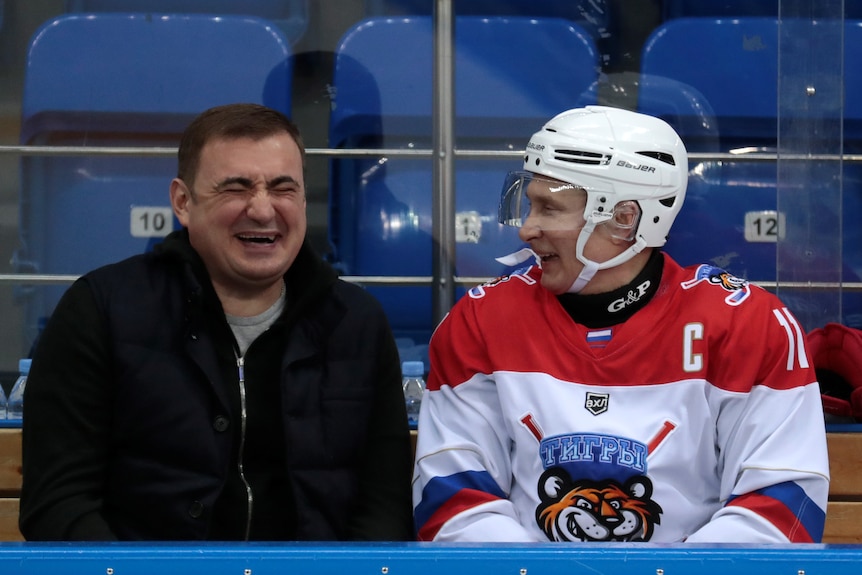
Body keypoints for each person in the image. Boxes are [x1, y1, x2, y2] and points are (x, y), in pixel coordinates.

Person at [412, 105, 830, 543]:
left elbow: (783, 502)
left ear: (624, 218)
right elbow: (453, 498)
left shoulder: (749, 324)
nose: (527, 229)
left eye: (550, 208)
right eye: (530, 203)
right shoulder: (482, 320)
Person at [19, 103, 414, 541]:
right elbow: (60, 504)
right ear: (183, 202)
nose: (263, 210)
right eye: (236, 188)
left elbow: (384, 509)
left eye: (283, 189)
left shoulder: (356, 324)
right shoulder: (100, 311)